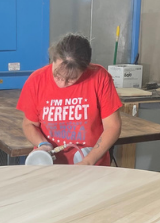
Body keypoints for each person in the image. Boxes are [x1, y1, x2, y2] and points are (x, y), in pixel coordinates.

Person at [17, 34, 122, 166]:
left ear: (85, 69)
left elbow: (112, 126)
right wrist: (43, 144)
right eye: (58, 76)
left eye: (71, 78)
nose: (62, 84)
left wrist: (89, 161)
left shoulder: (100, 78)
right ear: (53, 60)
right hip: (51, 167)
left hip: (92, 166)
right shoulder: (36, 81)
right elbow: (29, 124)